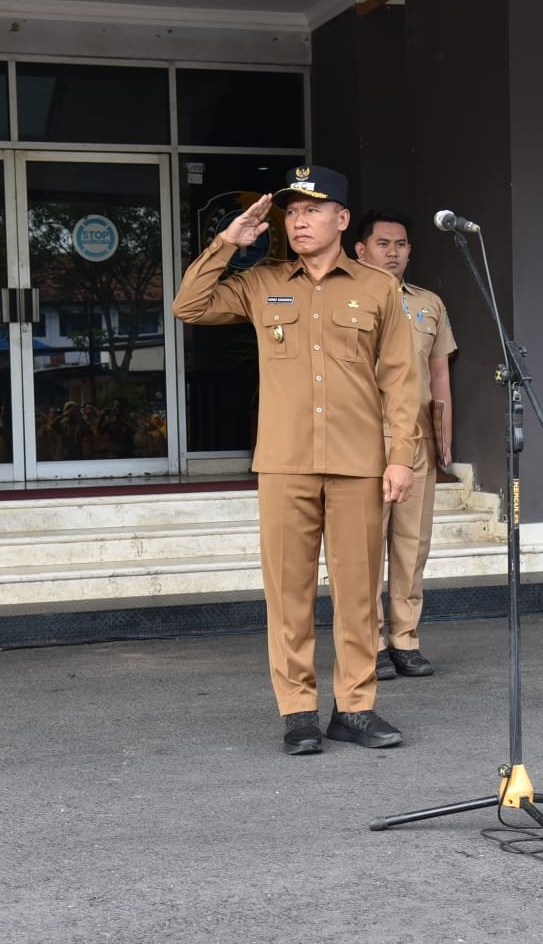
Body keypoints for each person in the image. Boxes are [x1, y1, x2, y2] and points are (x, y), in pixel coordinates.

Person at [173, 165, 422, 755]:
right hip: (285, 462)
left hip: (359, 462)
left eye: (314, 209)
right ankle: (298, 712)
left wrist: (401, 456)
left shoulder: (378, 288)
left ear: (342, 219)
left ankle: (355, 709)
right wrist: (227, 242)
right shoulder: (260, 282)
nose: (300, 220)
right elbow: (189, 306)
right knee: (289, 595)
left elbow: (401, 378)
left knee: (358, 594)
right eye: (293, 211)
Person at [353, 208, 457, 681]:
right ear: (361, 250)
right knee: (365, 547)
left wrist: (444, 433)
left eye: (400, 245)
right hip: (362, 438)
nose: (392, 252)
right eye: (382, 244)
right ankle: (369, 643)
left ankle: (405, 640)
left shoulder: (428, 303)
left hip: (415, 438)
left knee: (413, 546)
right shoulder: (345, 299)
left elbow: (439, 374)